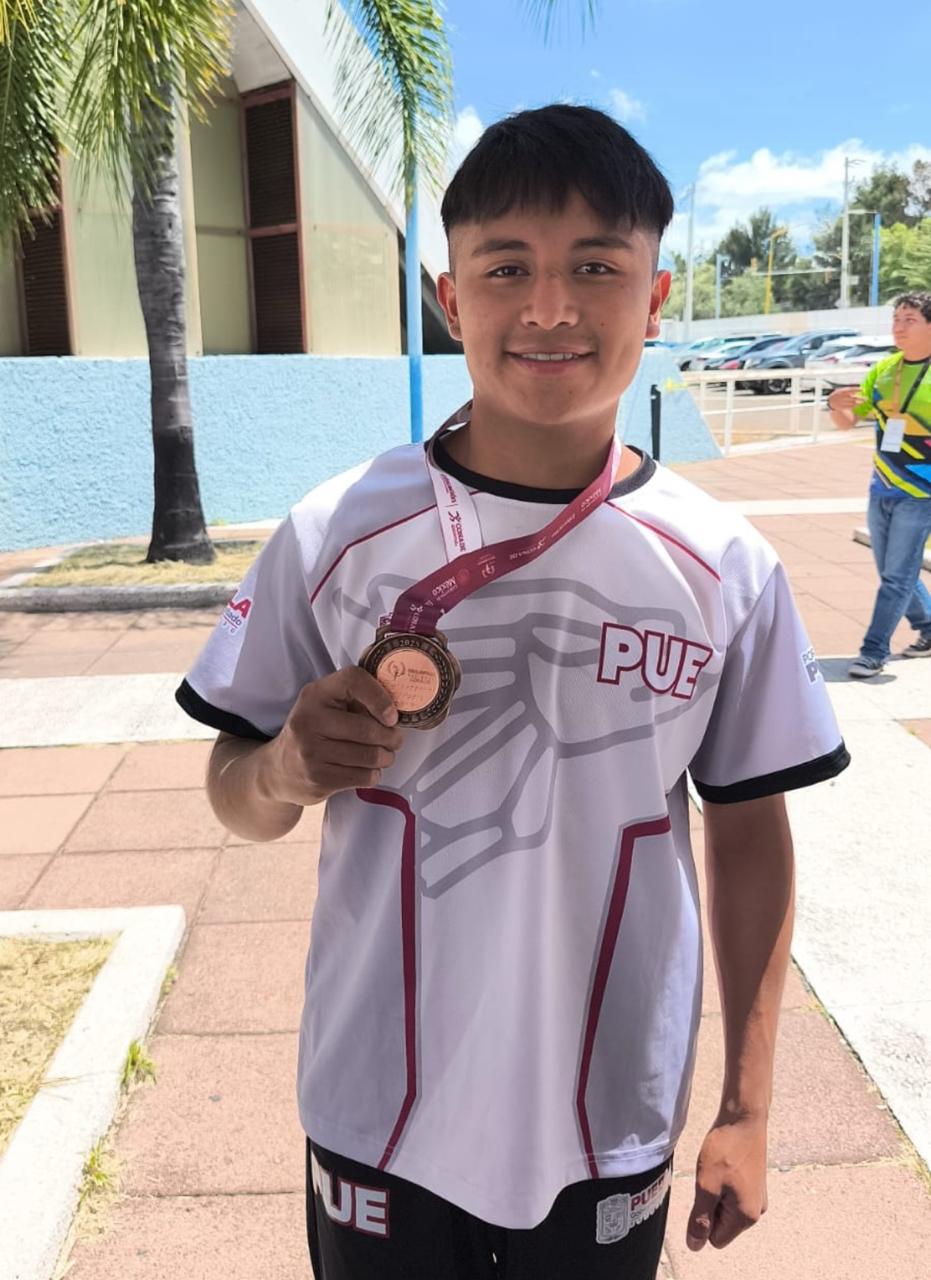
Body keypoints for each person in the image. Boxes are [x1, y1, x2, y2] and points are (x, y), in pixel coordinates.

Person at [176, 105, 849, 1279]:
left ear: (654, 296)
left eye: (595, 266)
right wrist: (281, 764)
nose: (547, 307)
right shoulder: (334, 532)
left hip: (607, 1113)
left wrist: (746, 1104)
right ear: (451, 298)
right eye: (505, 269)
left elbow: (749, 831)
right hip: (375, 1104)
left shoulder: (723, 565)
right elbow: (235, 792)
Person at [828, 292, 931, 678]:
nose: (898, 327)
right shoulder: (885, 370)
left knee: (896, 576)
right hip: (882, 487)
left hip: (922, 495)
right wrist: (835, 405)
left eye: (909, 320)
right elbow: (849, 421)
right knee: (893, 571)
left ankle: (874, 651)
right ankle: (929, 627)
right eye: (896, 319)